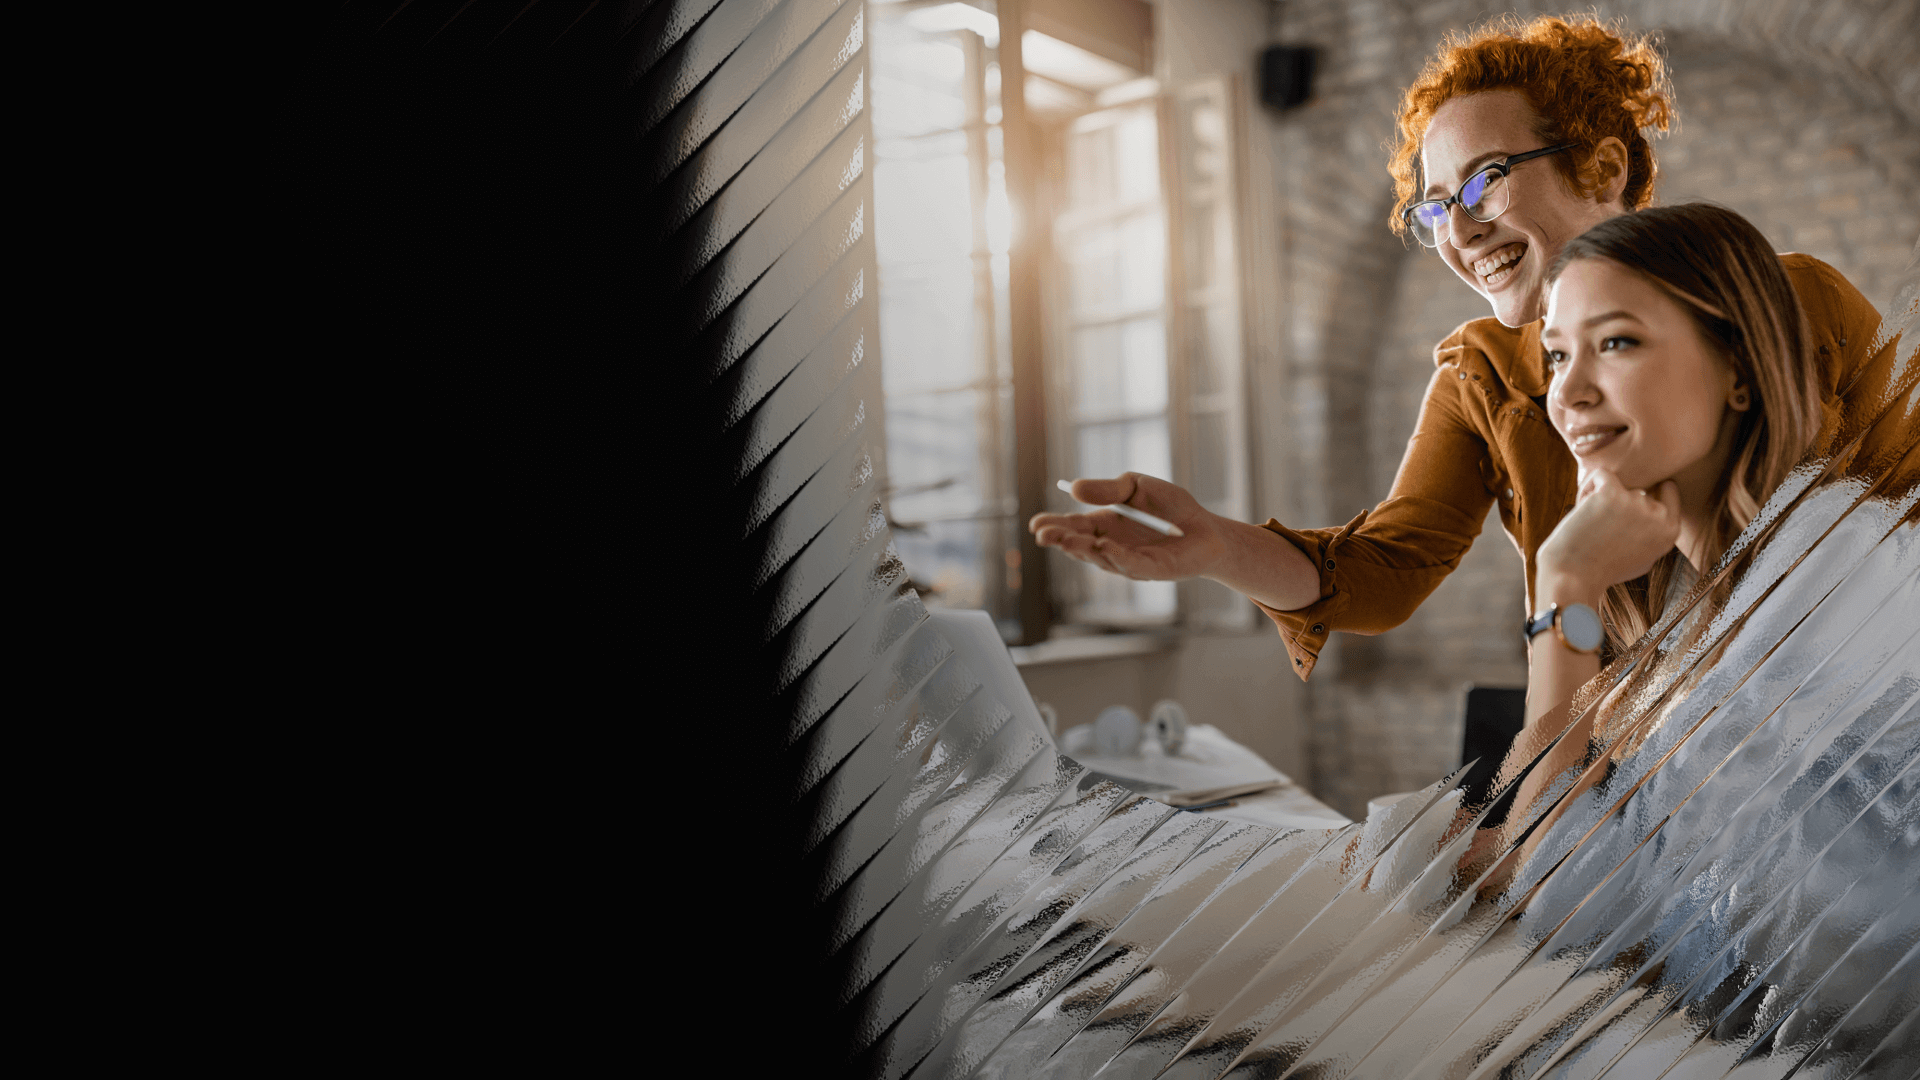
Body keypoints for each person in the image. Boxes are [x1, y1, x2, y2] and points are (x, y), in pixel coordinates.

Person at [1028, 14, 1902, 680]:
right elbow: (1382, 572)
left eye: (1485, 180)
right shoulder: (1481, 374)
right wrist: (1218, 547)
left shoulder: (1796, 301)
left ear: (1602, 170)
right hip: (1634, 753)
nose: (1461, 229)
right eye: (1436, 207)